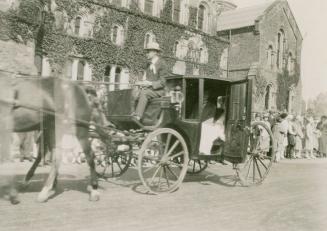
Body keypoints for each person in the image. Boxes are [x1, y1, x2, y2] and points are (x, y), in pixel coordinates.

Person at [132, 42, 169, 121]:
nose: (146, 54)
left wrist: (150, 83)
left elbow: (163, 82)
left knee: (144, 93)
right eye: (146, 52)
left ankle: (138, 116)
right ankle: (133, 114)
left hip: (160, 91)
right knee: (135, 93)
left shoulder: (162, 64)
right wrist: (141, 83)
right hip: (151, 90)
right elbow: (147, 79)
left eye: (148, 51)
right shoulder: (148, 65)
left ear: (155, 52)